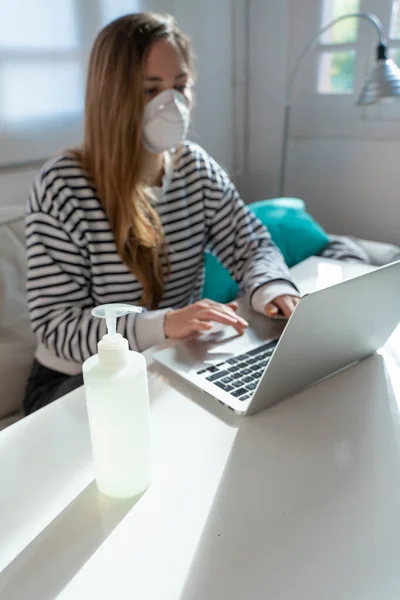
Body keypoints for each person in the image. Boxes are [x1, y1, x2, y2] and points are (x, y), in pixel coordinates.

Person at [24, 12, 304, 414]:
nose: (170, 104)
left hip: (164, 361)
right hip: (76, 379)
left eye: (180, 86)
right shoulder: (64, 186)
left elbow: (252, 245)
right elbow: (57, 328)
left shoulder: (194, 167)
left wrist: (273, 289)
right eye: (150, 90)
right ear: (112, 96)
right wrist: (163, 324)